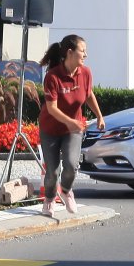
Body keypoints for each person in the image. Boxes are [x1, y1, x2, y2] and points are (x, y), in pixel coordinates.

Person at [37, 33, 104, 217]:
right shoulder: (53, 76)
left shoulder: (85, 73)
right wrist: (71, 121)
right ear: (70, 52)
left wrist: (99, 116)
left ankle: (66, 191)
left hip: (72, 130)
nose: (86, 55)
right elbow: (51, 108)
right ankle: (49, 199)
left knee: (72, 165)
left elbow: (88, 94)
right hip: (50, 129)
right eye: (82, 51)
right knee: (52, 171)